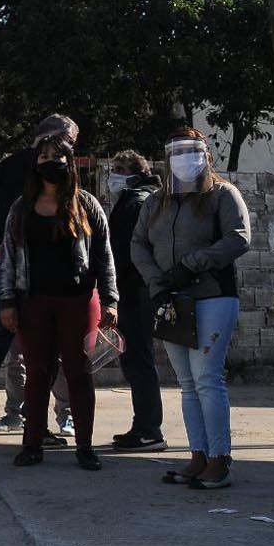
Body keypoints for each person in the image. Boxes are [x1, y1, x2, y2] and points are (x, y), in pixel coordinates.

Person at [132, 128, 250, 489]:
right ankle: (198, 455)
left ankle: (219, 459)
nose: (184, 158)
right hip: (171, 299)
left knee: (207, 378)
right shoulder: (156, 201)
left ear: (206, 155)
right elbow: (138, 244)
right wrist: (158, 282)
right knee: (186, 383)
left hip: (212, 295)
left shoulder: (222, 194)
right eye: (176, 151)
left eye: (191, 150)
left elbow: (239, 237)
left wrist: (195, 262)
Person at [0, 135, 118, 471]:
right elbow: (8, 260)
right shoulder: (20, 208)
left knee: (80, 372)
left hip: (79, 302)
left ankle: (85, 446)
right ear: (35, 164)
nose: (52, 162)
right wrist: (6, 301)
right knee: (37, 372)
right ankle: (32, 443)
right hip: (32, 301)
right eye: (44, 156)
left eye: (58, 156)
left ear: (70, 161)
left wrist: (110, 299)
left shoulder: (87, 204)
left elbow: (104, 256)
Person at [0, 114, 80, 445]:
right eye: (68, 141)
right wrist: (1, 246)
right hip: (32, 280)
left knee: (1, 350)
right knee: (39, 355)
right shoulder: (38, 179)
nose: (67, 149)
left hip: (23, 276)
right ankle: (37, 424)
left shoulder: (12, 170)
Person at [106, 150, 167, 452]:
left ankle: (148, 429)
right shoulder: (140, 199)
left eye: (119, 169)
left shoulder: (137, 202)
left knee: (139, 360)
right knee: (135, 359)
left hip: (134, 290)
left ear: (136, 173)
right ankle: (143, 425)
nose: (113, 174)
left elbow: (126, 249)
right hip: (135, 289)